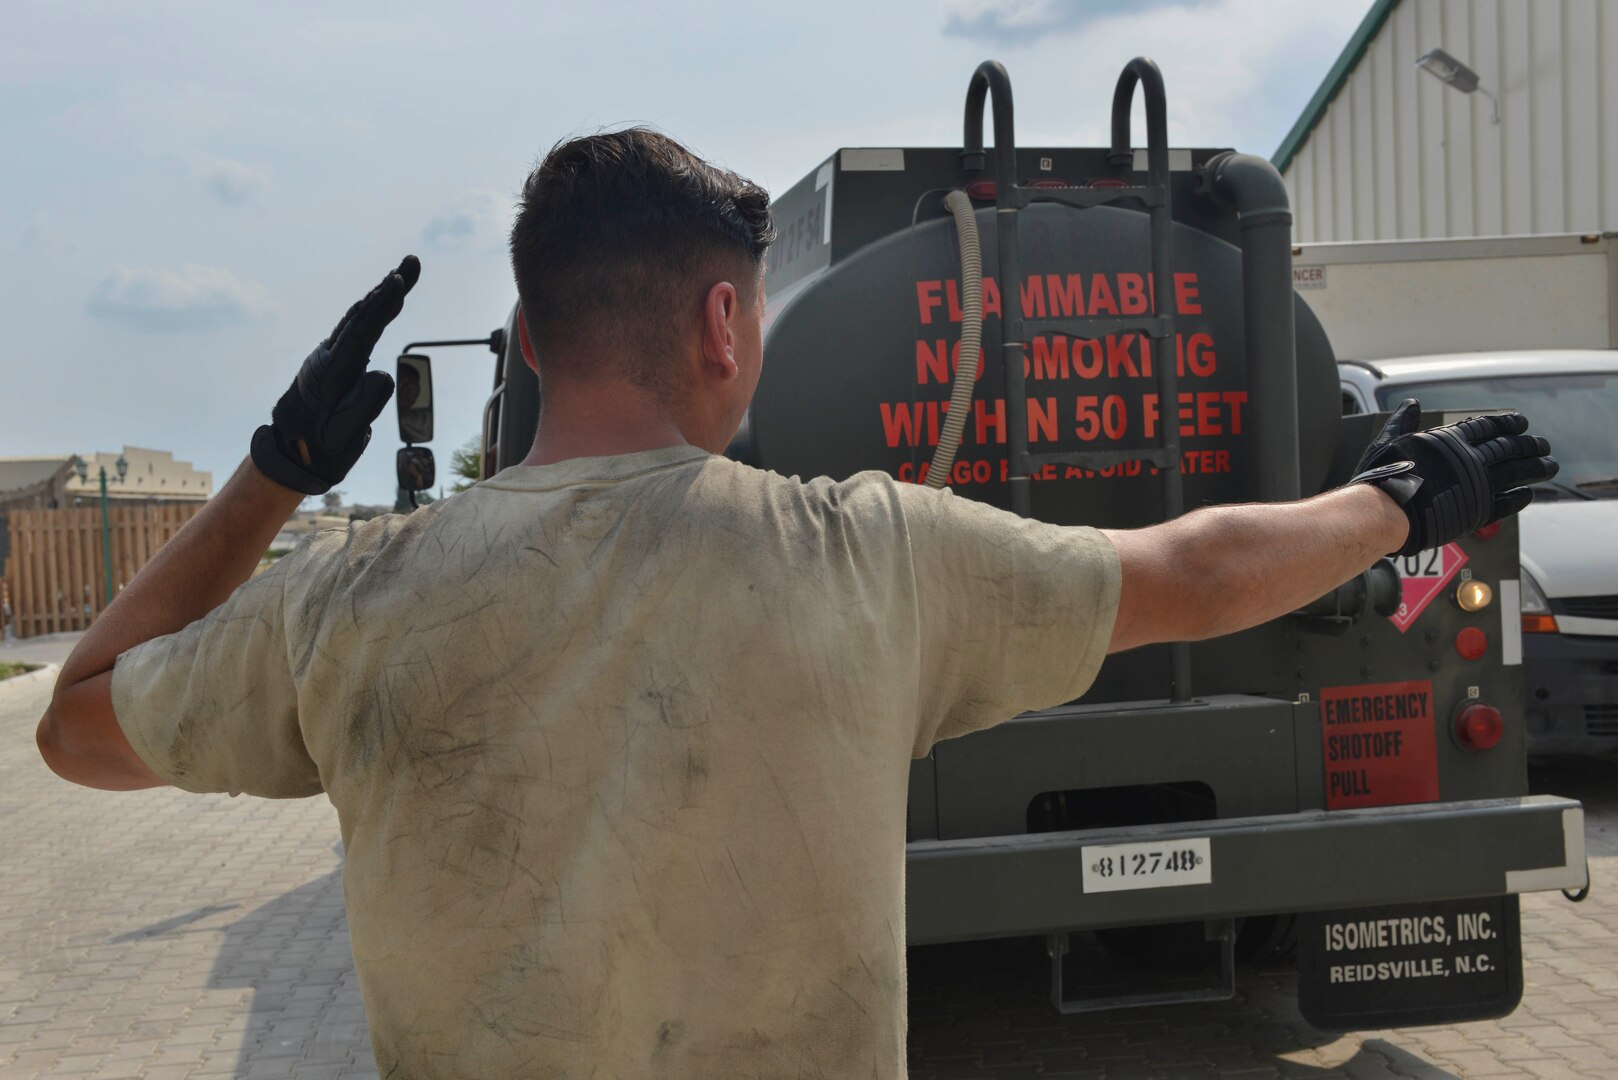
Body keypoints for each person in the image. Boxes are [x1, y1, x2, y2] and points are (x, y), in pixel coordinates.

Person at [36, 128, 1556, 1078]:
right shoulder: (866, 556)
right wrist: (1411, 499)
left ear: (531, 335)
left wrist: (275, 472)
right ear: (719, 319)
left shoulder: (352, 600)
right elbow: (1199, 574)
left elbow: (81, 727)